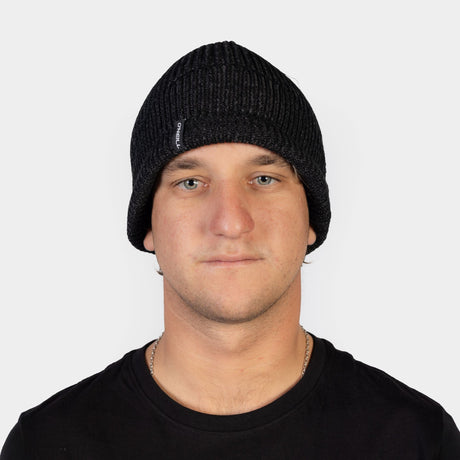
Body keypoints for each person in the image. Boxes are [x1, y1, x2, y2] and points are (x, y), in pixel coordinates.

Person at [1, 40, 459, 460]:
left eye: (264, 178)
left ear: (311, 220)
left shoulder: (417, 440)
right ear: (148, 226)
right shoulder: (44, 446)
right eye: (190, 182)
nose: (231, 222)